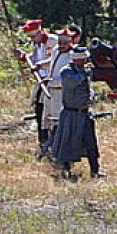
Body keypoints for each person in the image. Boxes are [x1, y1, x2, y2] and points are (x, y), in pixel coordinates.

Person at [50, 46, 103, 180]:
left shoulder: (84, 72)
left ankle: (95, 170)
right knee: (67, 144)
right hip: (71, 114)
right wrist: (86, 73)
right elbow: (74, 82)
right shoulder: (66, 72)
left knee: (91, 143)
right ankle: (66, 170)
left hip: (84, 113)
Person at [15, 19, 57, 147]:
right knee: (39, 111)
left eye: (34, 36)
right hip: (41, 82)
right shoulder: (35, 44)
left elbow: (54, 60)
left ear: (40, 32)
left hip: (53, 82)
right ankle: (42, 141)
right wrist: (23, 57)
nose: (32, 39)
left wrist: (40, 66)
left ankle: (53, 140)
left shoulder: (53, 41)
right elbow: (34, 58)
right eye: (30, 37)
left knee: (50, 113)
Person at [40, 29, 74, 156]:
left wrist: (51, 81)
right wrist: (40, 65)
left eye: (64, 43)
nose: (61, 45)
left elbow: (68, 79)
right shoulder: (56, 51)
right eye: (59, 42)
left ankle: (59, 148)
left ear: (70, 42)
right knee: (47, 120)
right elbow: (51, 63)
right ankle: (49, 146)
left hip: (62, 94)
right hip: (50, 92)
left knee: (58, 122)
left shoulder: (72, 56)